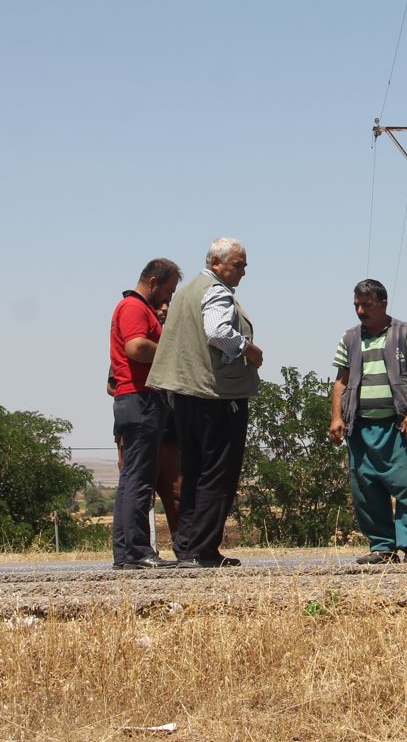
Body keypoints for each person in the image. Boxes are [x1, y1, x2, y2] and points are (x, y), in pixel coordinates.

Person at [148, 237, 262, 568]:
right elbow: (218, 332)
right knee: (218, 474)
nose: (243, 271)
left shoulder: (185, 293)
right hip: (216, 396)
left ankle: (187, 548)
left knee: (193, 471)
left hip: (185, 396)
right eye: (238, 264)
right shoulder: (216, 291)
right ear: (216, 264)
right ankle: (204, 550)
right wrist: (249, 350)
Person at [328, 279, 407, 564]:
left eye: (367, 305)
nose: (361, 311)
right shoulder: (350, 339)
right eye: (357, 306)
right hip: (360, 428)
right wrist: (337, 417)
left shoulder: (405, 334)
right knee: (366, 488)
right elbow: (341, 382)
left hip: (398, 426)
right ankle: (382, 547)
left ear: (383, 303)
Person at [109, 258, 182, 569]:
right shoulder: (135, 308)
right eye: (166, 291)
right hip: (140, 399)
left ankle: (127, 552)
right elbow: (136, 347)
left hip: (133, 400)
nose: (167, 299)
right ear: (153, 282)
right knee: (139, 480)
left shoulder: (133, 308)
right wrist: (171, 348)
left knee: (132, 479)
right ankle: (138, 551)